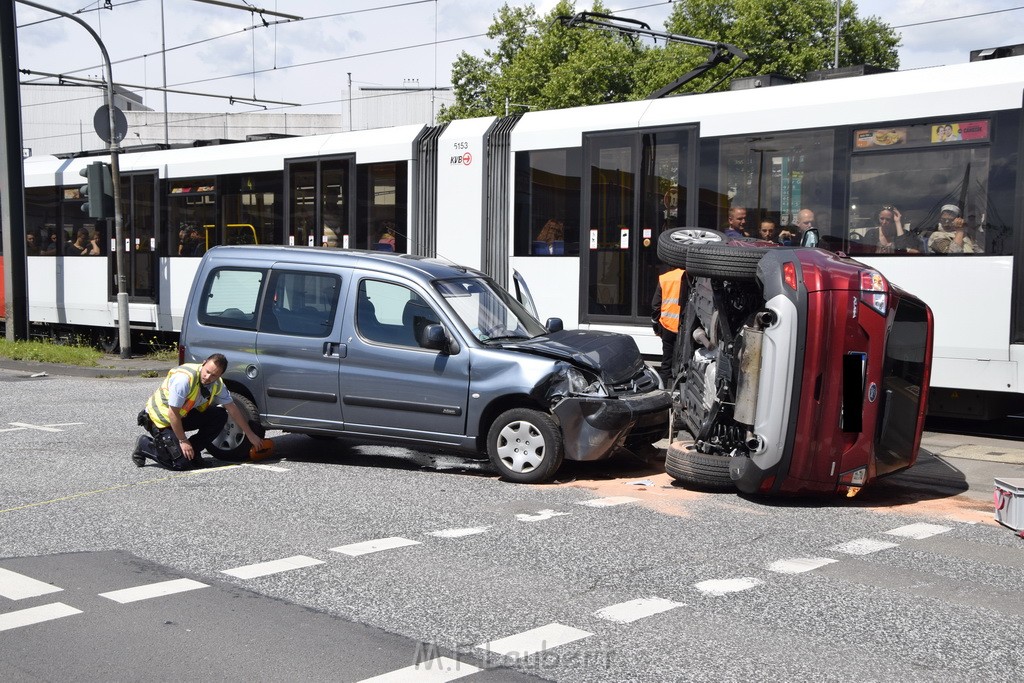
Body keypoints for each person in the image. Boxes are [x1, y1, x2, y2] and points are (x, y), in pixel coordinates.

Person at [133, 353, 263, 469]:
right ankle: (144, 445)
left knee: (220, 415)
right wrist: (183, 440)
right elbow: (172, 413)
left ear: (219, 375)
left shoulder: (217, 384)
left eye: (214, 375)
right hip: (160, 419)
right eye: (207, 371)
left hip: (180, 417)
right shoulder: (184, 379)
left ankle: (193, 451)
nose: (208, 377)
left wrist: (250, 434)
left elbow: (233, 409)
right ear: (204, 363)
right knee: (180, 463)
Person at [651, 267, 685, 386]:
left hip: (667, 325)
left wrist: (655, 324)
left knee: (666, 362)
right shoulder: (690, 278)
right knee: (683, 360)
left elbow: (655, 305)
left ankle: (664, 389)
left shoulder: (665, 278)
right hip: (684, 328)